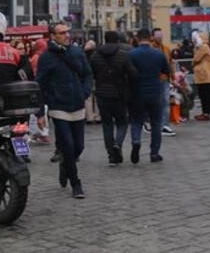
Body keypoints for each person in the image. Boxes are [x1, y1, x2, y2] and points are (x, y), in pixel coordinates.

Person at [36, 22, 93, 198]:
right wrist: (40, 112)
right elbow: (40, 84)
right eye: (62, 33)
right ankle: (76, 183)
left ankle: (65, 165)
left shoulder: (77, 52)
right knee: (67, 145)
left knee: (79, 146)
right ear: (53, 36)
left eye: (68, 32)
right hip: (58, 106)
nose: (67, 35)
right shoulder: (46, 57)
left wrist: (84, 92)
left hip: (77, 104)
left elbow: (87, 74)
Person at [90, 31, 138, 166]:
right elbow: (133, 74)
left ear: (104, 39)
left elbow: (91, 73)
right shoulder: (123, 55)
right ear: (118, 40)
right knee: (122, 122)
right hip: (119, 94)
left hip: (101, 94)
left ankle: (111, 154)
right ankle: (117, 144)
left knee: (107, 125)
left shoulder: (95, 55)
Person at [128, 28, 171, 164]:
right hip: (155, 92)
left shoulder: (131, 54)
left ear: (138, 38)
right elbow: (166, 70)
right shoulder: (158, 54)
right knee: (156, 123)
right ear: (150, 38)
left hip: (137, 92)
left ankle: (136, 141)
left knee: (136, 121)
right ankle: (154, 153)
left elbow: (127, 72)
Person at [152, 28, 176, 136]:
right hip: (154, 80)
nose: (159, 37)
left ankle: (165, 124)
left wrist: (173, 75)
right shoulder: (151, 49)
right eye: (157, 35)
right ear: (152, 36)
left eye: (161, 34)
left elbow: (170, 63)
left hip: (165, 79)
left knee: (165, 101)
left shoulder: (166, 49)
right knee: (156, 103)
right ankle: (155, 124)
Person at [192, 31, 210, 121]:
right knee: (202, 95)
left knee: (206, 95)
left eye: (194, 39)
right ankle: (204, 112)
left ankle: (206, 113)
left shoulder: (204, 47)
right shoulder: (198, 47)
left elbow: (196, 58)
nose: (193, 41)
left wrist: (193, 61)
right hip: (201, 75)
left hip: (206, 75)